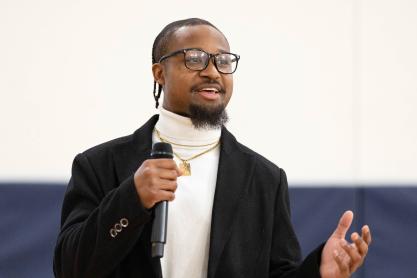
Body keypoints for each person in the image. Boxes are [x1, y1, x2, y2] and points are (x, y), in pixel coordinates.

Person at [53, 18, 371, 278]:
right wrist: (131, 199)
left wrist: (318, 273)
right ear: (159, 73)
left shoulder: (264, 179)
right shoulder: (98, 165)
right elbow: (69, 269)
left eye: (222, 60)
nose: (212, 71)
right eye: (194, 58)